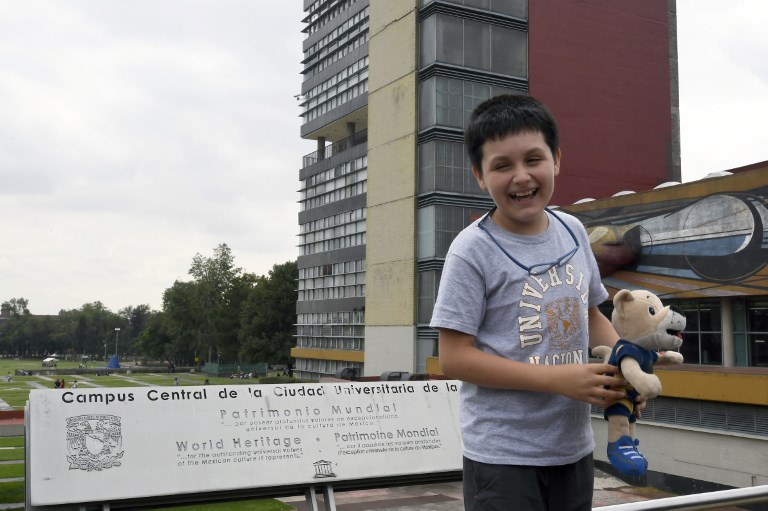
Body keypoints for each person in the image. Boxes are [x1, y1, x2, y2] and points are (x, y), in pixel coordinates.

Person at [430, 94, 633, 511]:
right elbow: (454, 358)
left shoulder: (573, 229)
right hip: (502, 456)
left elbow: (591, 314)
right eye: (502, 165)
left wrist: (623, 369)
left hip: (573, 448)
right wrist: (557, 379)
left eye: (533, 159)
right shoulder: (471, 250)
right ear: (479, 176)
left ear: (556, 159)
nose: (521, 177)